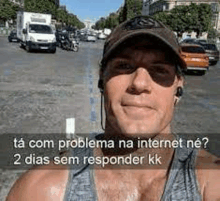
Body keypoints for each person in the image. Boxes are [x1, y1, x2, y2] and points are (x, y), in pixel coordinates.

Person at [6, 16, 219, 201]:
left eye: (159, 70)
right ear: (102, 81)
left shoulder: (211, 184)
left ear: (178, 87)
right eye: (124, 66)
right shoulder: (41, 190)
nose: (140, 83)